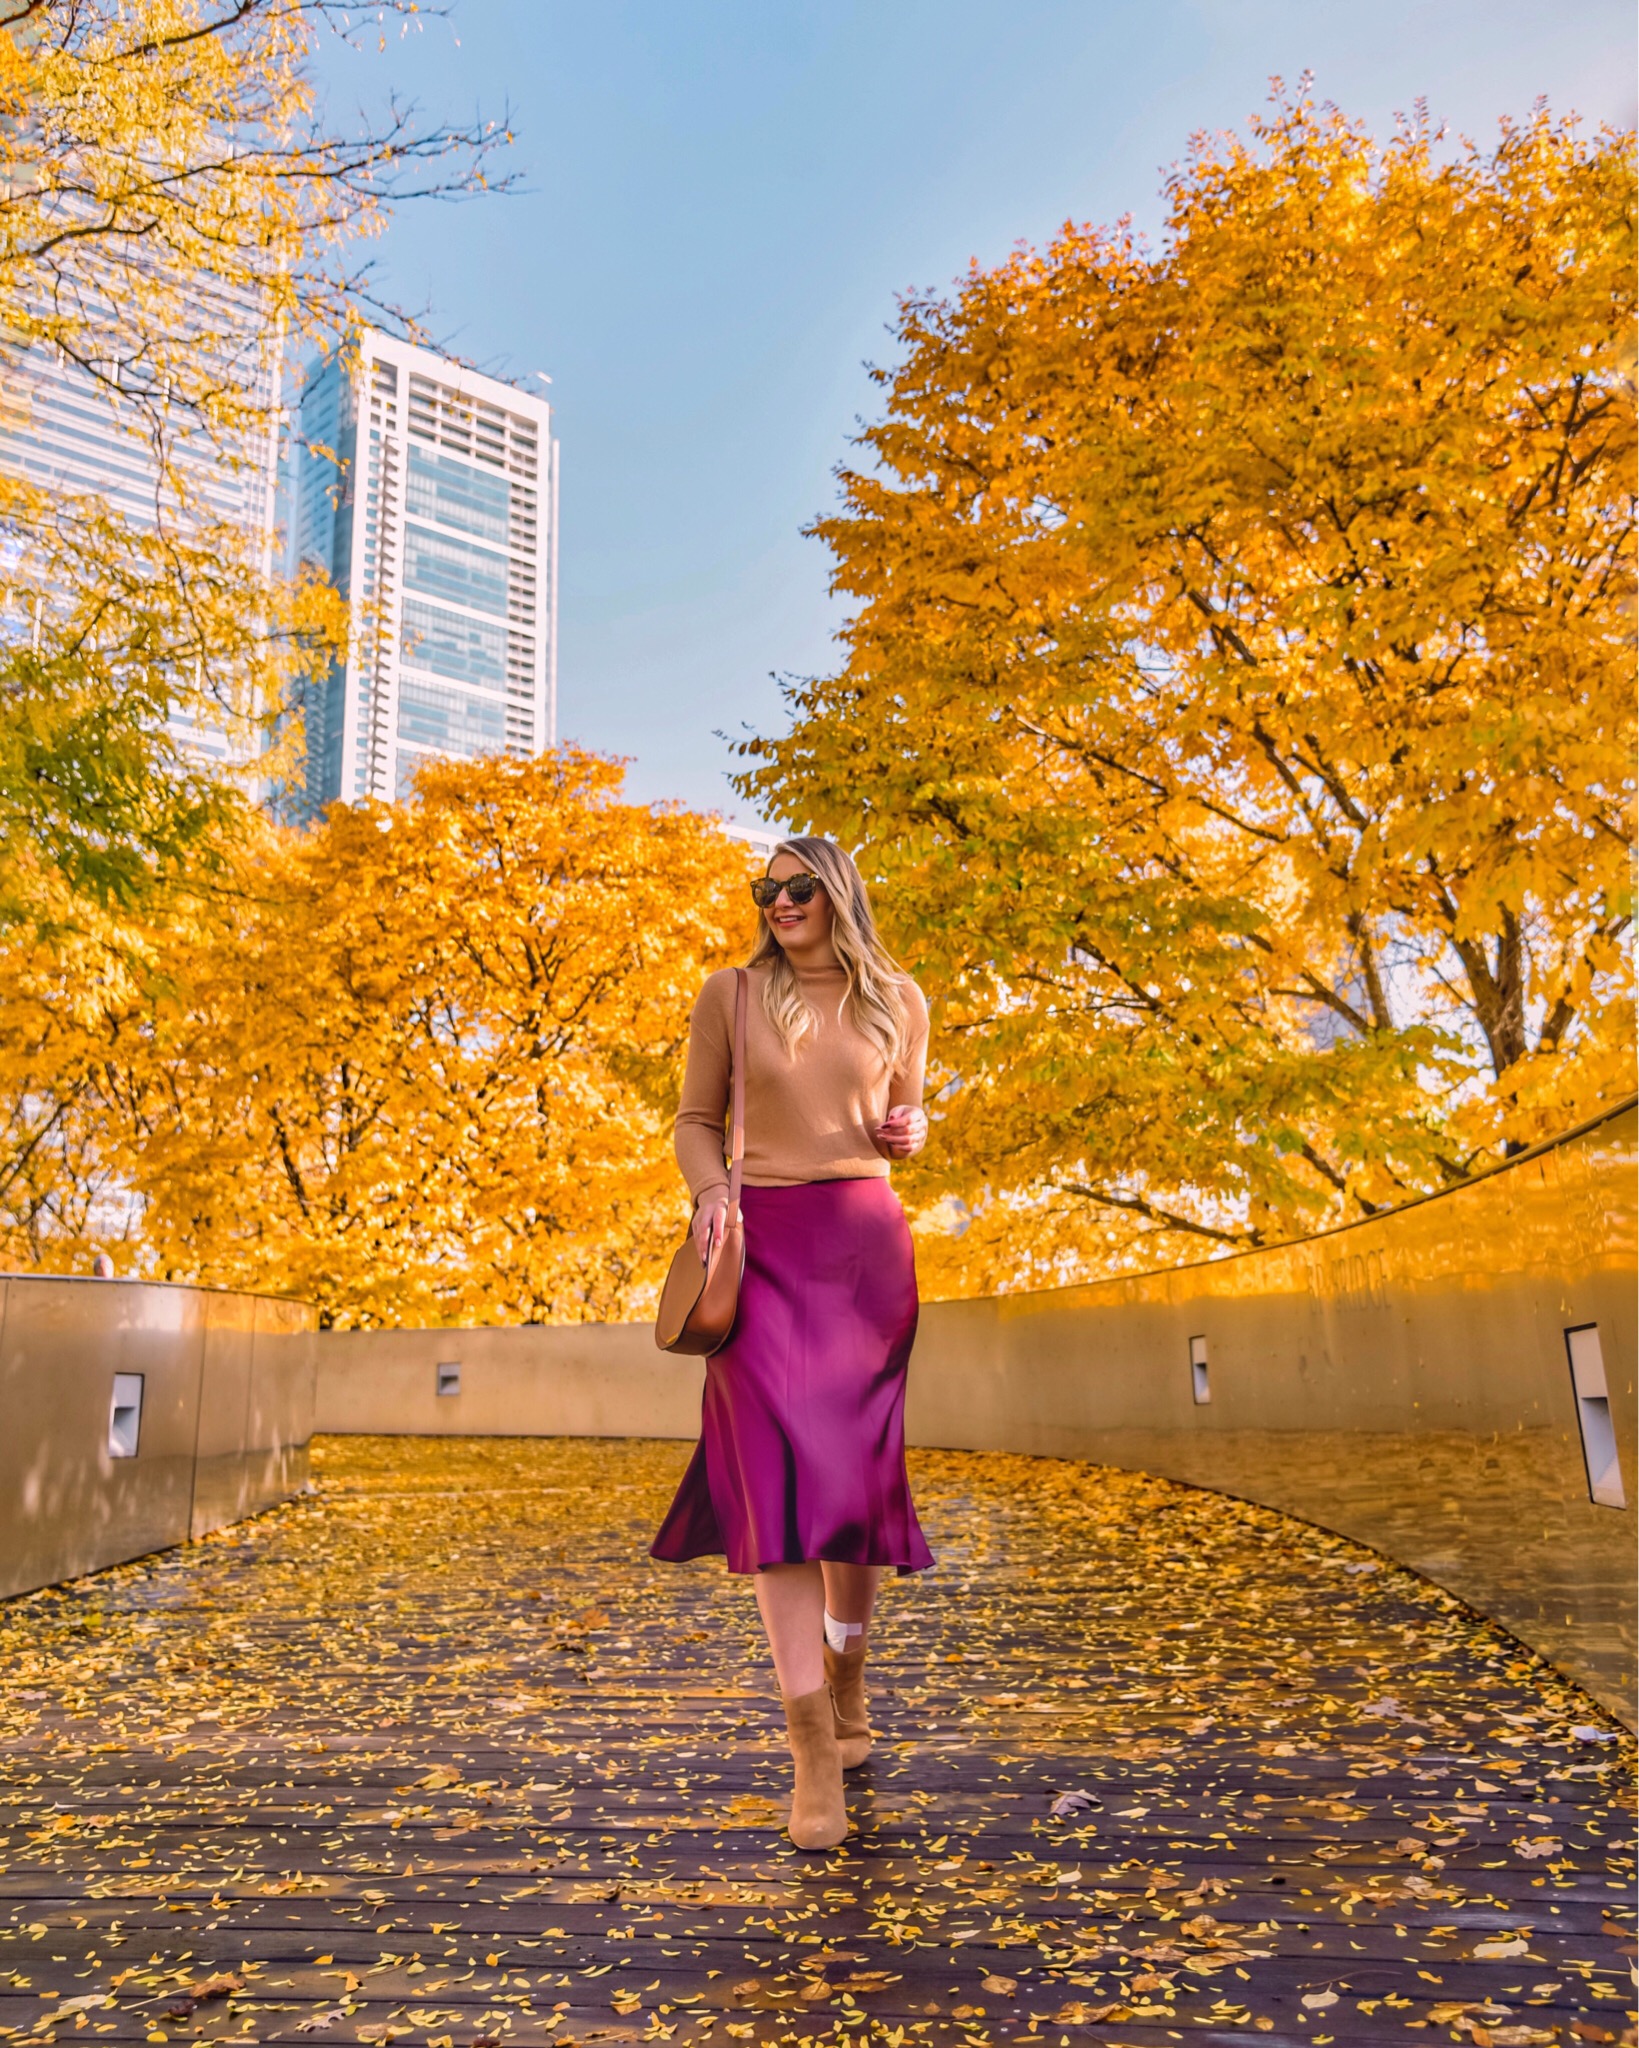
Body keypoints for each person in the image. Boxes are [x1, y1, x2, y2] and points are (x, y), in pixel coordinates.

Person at [651, 836, 932, 1851]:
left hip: (863, 1250)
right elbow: (692, 1118)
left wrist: (911, 1132)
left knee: (850, 1496)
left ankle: (849, 1661)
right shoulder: (728, 993)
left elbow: (906, 1115)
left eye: (797, 885)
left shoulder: (898, 996)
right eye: (764, 888)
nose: (778, 900)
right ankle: (812, 1746)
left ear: (838, 890)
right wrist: (712, 1190)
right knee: (773, 1487)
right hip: (758, 1246)